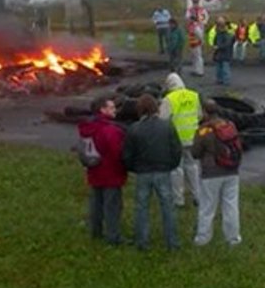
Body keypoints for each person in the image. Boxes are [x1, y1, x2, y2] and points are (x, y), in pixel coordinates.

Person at [124, 94, 182, 251]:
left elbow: (127, 154)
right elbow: (176, 149)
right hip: (163, 170)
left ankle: (142, 242)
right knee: (168, 207)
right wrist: (171, 165)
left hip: (143, 172)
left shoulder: (134, 129)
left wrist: (134, 168)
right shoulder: (167, 126)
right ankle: (172, 242)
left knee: (141, 207)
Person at [191, 99, 242, 247]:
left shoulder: (203, 130)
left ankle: (203, 238)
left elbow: (195, 153)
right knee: (231, 205)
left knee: (207, 207)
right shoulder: (230, 125)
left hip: (211, 173)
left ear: (205, 112)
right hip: (232, 171)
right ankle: (233, 238)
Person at [77, 96, 127, 246]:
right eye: (111, 108)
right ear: (102, 109)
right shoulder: (110, 130)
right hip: (111, 173)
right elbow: (117, 152)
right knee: (112, 206)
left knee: (96, 204)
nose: (115, 110)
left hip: (94, 171)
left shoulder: (88, 127)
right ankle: (113, 236)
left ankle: (96, 232)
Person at [160, 73, 202, 208]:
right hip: (193, 137)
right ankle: (198, 196)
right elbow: (200, 115)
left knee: (177, 169)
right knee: (193, 166)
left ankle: (179, 199)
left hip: (176, 139)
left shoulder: (169, 99)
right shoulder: (194, 95)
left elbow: (162, 119)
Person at [212, 16, 235, 85]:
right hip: (219, 54)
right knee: (218, 68)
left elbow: (227, 44)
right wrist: (215, 46)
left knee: (225, 68)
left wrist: (218, 47)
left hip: (225, 54)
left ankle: (226, 81)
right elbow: (215, 41)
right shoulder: (218, 34)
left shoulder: (227, 35)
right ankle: (219, 80)